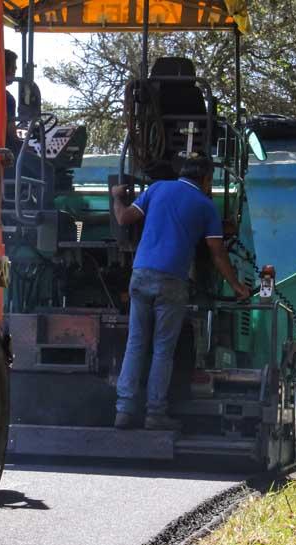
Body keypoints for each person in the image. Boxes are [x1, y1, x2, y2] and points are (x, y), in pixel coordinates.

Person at [111, 155, 252, 430]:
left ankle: (124, 411)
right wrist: (237, 286)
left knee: (136, 344)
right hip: (171, 282)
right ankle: (154, 414)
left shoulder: (158, 188)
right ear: (207, 179)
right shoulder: (205, 205)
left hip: (140, 275)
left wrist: (117, 196)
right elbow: (217, 254)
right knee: (163, 349)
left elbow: (124, 218)